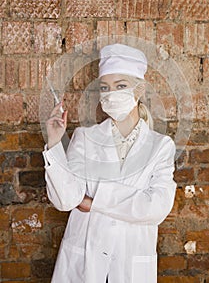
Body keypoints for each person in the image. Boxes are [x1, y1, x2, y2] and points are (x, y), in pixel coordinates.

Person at [42, 43, 177, 283]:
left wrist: (93, 202)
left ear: (139, 89)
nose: (111, 94)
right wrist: (54, 143)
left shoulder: (160, 146)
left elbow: (156, 208)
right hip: (84, 261)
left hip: (130, 265)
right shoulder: (86, 137)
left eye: (120, 86)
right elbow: (66, 200)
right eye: (105, 87)